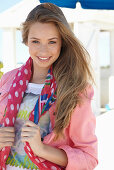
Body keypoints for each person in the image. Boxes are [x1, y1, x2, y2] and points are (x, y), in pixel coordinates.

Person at [0, 2, 98, 170]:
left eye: (52, 42)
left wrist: (42, 149)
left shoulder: (76, 89)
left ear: (62, 43)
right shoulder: (7, 80)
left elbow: (89, 158)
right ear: (26, 41)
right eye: (36, 41)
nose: (43, 51)